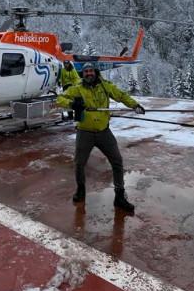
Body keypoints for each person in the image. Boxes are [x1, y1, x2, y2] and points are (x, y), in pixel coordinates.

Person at [56, 63, 146, 214]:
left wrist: (134, 105)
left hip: (104, 132)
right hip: (84, 132)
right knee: (79, 163)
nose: (88, 73)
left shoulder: (105, 86)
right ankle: (81, 190)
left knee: (117, 161)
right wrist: (72, 103)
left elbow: (121, 95)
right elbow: (60, 99)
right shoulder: (77, 87)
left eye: (91, 71)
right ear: (83, 74)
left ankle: (119, 196)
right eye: (86, 71)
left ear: (95, 72)